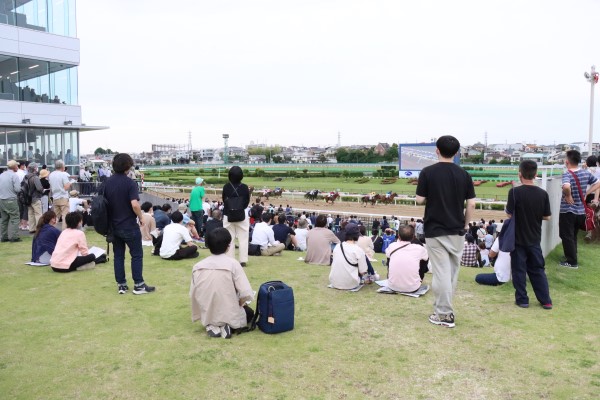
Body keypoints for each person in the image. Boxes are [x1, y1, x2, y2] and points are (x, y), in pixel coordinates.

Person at [416, 135, 476, 328]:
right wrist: (466, 225)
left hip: (435, 229)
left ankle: (444, 314)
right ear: (457, 153)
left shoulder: (427, 172)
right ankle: (442, 308)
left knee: (442, 273)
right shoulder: (464, 174)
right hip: (457, 229)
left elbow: (419, 200)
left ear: (437, 150)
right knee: (450, 273)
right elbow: (472, 204)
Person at [190, 228, 254, 339]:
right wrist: (241, 302)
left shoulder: (198, 266)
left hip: (208, 311)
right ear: (228, 246)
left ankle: (212, 325)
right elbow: (246, 293)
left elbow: (193, 293)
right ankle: (227, 325)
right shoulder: (233, 264)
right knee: (249, 312)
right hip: (229, 311)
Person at [104, 153, 154, 295]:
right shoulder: (129, 183)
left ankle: (122, 285)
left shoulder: (107, 183)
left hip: (113, 226)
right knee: (136, 255)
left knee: (118, 255)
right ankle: (138, 285)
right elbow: (135, 204)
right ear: (128, 166)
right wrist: (141, 217)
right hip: (129, 225)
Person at [507, 160, 552, 309]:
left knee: (518, 270)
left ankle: (522, 300)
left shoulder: (514, 192)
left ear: (519, 173)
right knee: (538, 270)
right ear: (536, 174)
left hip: (518, 239)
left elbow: (509, 215)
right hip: (534, 238)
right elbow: (547, 216)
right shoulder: (543, 194)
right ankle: (545, 300)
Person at [559, 150, 599, 268]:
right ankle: (572, 255)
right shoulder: (585, 173)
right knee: (573, 235)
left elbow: (566, 186)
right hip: (581, 211)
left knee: (566, 235)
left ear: (567, 162)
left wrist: (568, 195)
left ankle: (572, 262)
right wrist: (587, 192)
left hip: (568, 210)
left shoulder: (567, 174)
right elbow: (598, 183)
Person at [385, 225, 429, 293]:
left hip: (392, 286)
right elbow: (426, 258)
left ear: (398, 236)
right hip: (413, 287)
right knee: (423, 259)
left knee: (390, 257)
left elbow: (387, 255)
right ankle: (417, 278)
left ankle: (393, 278)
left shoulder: (392, 246)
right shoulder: (419, 248)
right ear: (413, 237)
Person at [222, 166, 251, 267]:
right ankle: (243, 260)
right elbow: (247, 202)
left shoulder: (226, 187)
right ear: (241, 176)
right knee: (243, 238)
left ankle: (230, 259)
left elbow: (224, 200)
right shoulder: (244, 187)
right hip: (241, 215)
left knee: (229, 238)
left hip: (228, 214)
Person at [329, 223, 368, 290]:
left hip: (334, 282)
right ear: (357, 235)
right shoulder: (358, 250)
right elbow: (363, 271)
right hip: (351, 284)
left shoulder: (338, 246)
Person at [0, 160, 23, 242]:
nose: (18, 167)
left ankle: (3, 237)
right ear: (14, 167)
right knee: (15, 218)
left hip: (2, 199)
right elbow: (17, 189)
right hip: (11, 199)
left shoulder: (2, 175)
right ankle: (14, 237)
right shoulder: (14, 176)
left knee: (4, 219)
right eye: (17, 165)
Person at [48, 159, 72, 230]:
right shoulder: (63, 174)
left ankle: (51, 229)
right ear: (62, 166)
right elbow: (66, 187)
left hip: (55, 197)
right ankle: (64, 231)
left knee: (55, 217)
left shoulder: (51, 175)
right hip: (63, 196)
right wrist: (70, 183)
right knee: (65, 216)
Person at [24, 163, 44, 233]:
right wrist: (43, 190)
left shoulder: (26, 176)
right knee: (38, 214)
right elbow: (39, 188)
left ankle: (32, 229)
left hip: (28, 198)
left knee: (30, 214)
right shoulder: (35, 177)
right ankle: (39, 229)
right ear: (35, 168)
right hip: (35, 198)